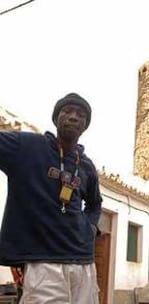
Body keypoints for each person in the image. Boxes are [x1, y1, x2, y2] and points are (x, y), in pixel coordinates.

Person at [0, 93, 102, 303]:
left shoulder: (86, 166)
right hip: (43, 261)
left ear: (85, 125)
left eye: (80, 114)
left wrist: (91, 227)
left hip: (84, 261)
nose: (73, 117)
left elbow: (95, 203)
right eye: (67, 111)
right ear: (56, 118)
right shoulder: (26, 147)